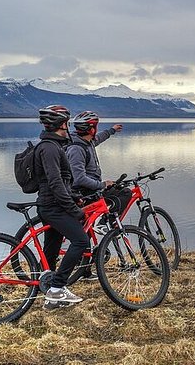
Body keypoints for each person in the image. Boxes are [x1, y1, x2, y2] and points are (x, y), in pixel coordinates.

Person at [35, 105, 89, 310]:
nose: (69, 127)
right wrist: (74, 210)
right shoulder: (49, 148)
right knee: (81, 240)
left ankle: (51, 297)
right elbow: (55, 184)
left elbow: (62, 183)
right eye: (66, 123)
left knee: (52, 249)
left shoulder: (54, 146)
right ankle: (58, 287)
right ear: (61, 124)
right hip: (52, 207)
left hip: (52, 205)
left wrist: (74, 197)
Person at [66, 111, 131, 278]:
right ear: (91, 128)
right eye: (96, 126)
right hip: (83, 192)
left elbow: (99, 138)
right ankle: (105, 223)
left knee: (85, 231)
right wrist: (102, 184)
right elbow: (79, 178)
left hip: (89, 190)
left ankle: (85, 270)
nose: (97, 130)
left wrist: (112, 130)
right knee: (123, 193)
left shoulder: (87, 141)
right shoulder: (77, 149)